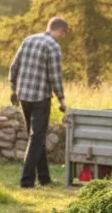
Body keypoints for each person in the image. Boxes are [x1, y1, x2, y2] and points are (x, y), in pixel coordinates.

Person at [9, 17, 69, 188]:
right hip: (40, 98)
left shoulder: (29, 40)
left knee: (36, 137)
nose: (63, 37)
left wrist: (14, 88)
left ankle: (44, 178)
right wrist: (62, 99)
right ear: (61, 30)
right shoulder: (53, 47)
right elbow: (55, 77)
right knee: (37, 138)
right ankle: (26, 181)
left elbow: (14, 66)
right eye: (64, 33)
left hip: (24, 96)